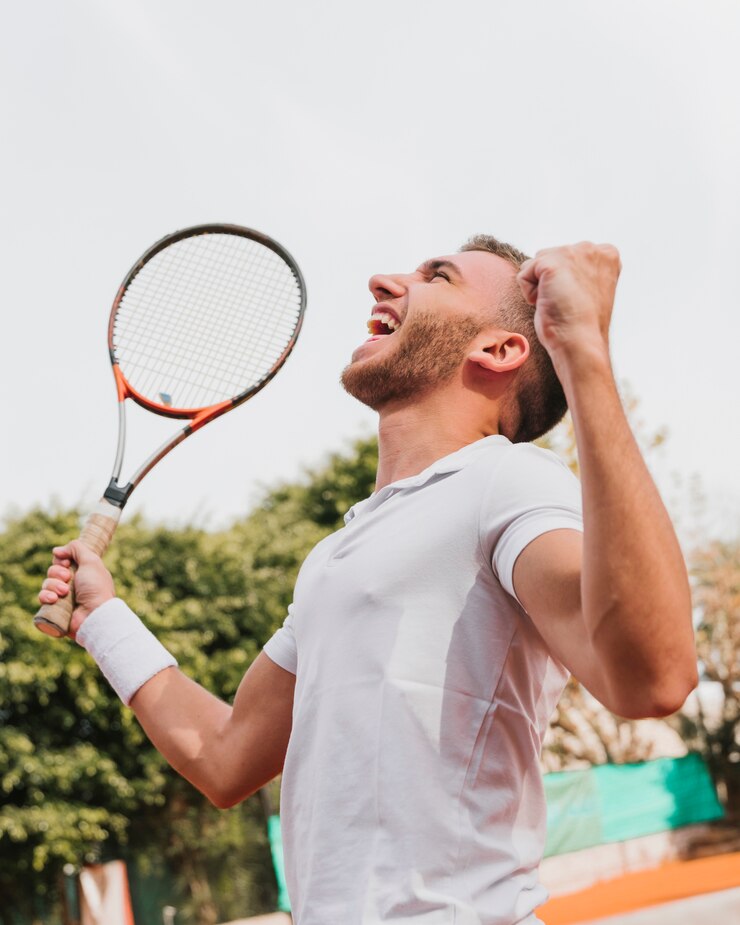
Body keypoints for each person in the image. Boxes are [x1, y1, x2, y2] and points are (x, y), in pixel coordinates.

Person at [39, 236, 698, 925]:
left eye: (437, 276)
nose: (383, 280)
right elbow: (225, 757)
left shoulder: (507, 480)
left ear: (499, 350)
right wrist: (103, 619)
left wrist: (583, 347)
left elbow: (653, 677)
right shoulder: (335, 557)